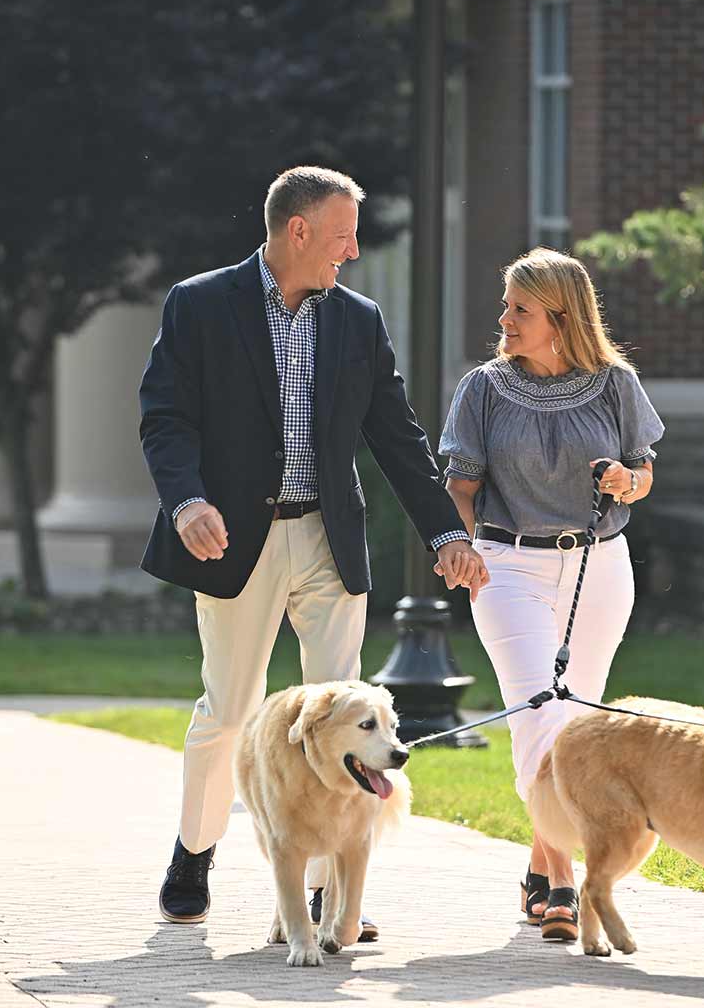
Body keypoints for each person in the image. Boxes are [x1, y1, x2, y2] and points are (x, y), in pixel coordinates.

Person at [139, 166, 487, 932]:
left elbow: (397, 435)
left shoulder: (357, 320)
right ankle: (195, 852)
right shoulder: (199, 305)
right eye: (342, 234)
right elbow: (164, 417)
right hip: (236, 542)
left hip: (330, 538)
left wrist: (445, 532)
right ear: (297, 231)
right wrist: (187, 498)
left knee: (347, 714)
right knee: (230, 708)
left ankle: (332, 893)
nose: (353, 251)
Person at [438, 247, 664, 941]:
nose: (503, 319)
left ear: (561, 318)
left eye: (519, 309)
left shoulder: (614, 384)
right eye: (506, 306)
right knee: (540, 715)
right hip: (509, 566)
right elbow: (461, 486)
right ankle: (565, 882)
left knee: (576, 725)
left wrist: (626, 482)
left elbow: (644, 470)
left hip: (599, 568)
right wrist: (462, 546)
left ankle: (541, 863)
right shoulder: (483, 387)